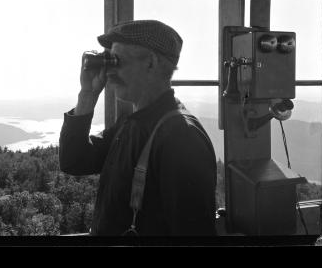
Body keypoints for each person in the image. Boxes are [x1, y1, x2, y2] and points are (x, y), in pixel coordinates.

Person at [59, 20, 217, 236]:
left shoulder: (181, 137)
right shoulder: (131, 123)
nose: (109, 71)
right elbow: (74, 161)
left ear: (151, 63)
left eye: (116, 61)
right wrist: (87, 95)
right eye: (108, 61)